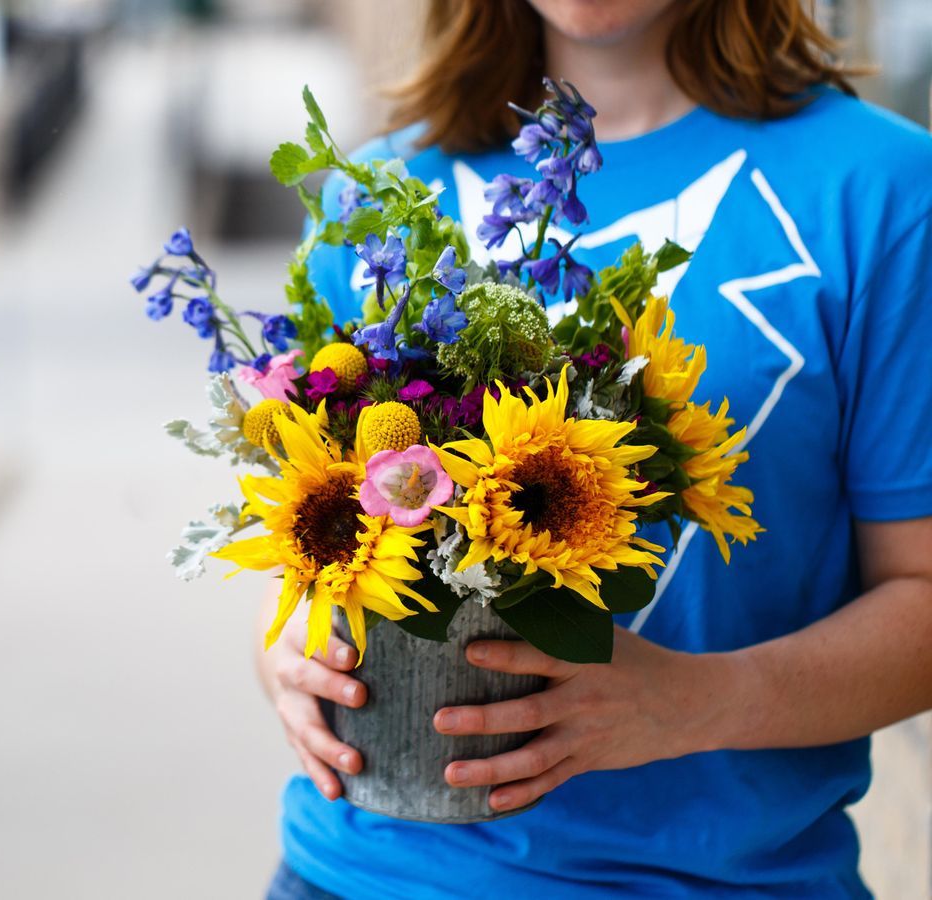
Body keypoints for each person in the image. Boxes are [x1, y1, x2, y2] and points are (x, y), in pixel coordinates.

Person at [258, 1, 932, 897]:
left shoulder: (882, 189)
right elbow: (308, 553)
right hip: (358, 871)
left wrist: (701, 700)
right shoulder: (375, 195)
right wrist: (288, 662)